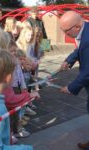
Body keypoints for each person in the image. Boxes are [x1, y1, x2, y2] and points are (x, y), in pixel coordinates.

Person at [59, 11, 89, 150]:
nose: (65, 34)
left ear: (77, 26)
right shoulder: (85, 29)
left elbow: (87, 72)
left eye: (66, 31)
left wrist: (71, 88)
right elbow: (80, 50)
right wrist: (69, 60)